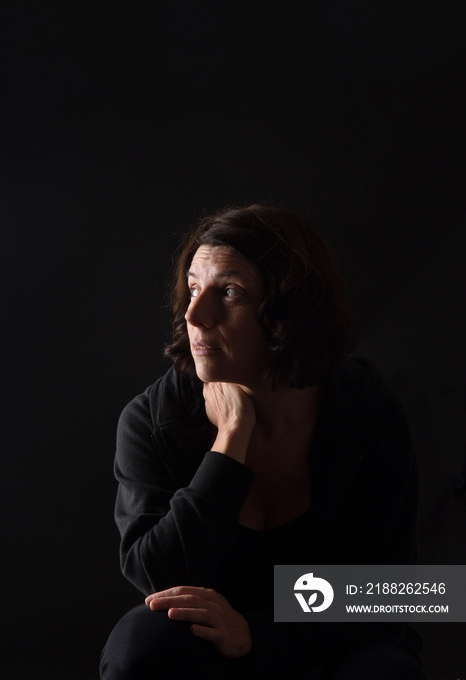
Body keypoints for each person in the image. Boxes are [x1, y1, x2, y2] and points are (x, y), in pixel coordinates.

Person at [100, 204, 425, 679]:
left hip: (328, 646)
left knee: (386, 671)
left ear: (287, 313)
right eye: (193, 288)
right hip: (207, 646)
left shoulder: (365, 410)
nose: (195, 313)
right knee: (140, 645)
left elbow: (402, 592)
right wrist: (230, 440)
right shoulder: (152, 420)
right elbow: (157, 578)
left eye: (228, 292)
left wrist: (256, 631)